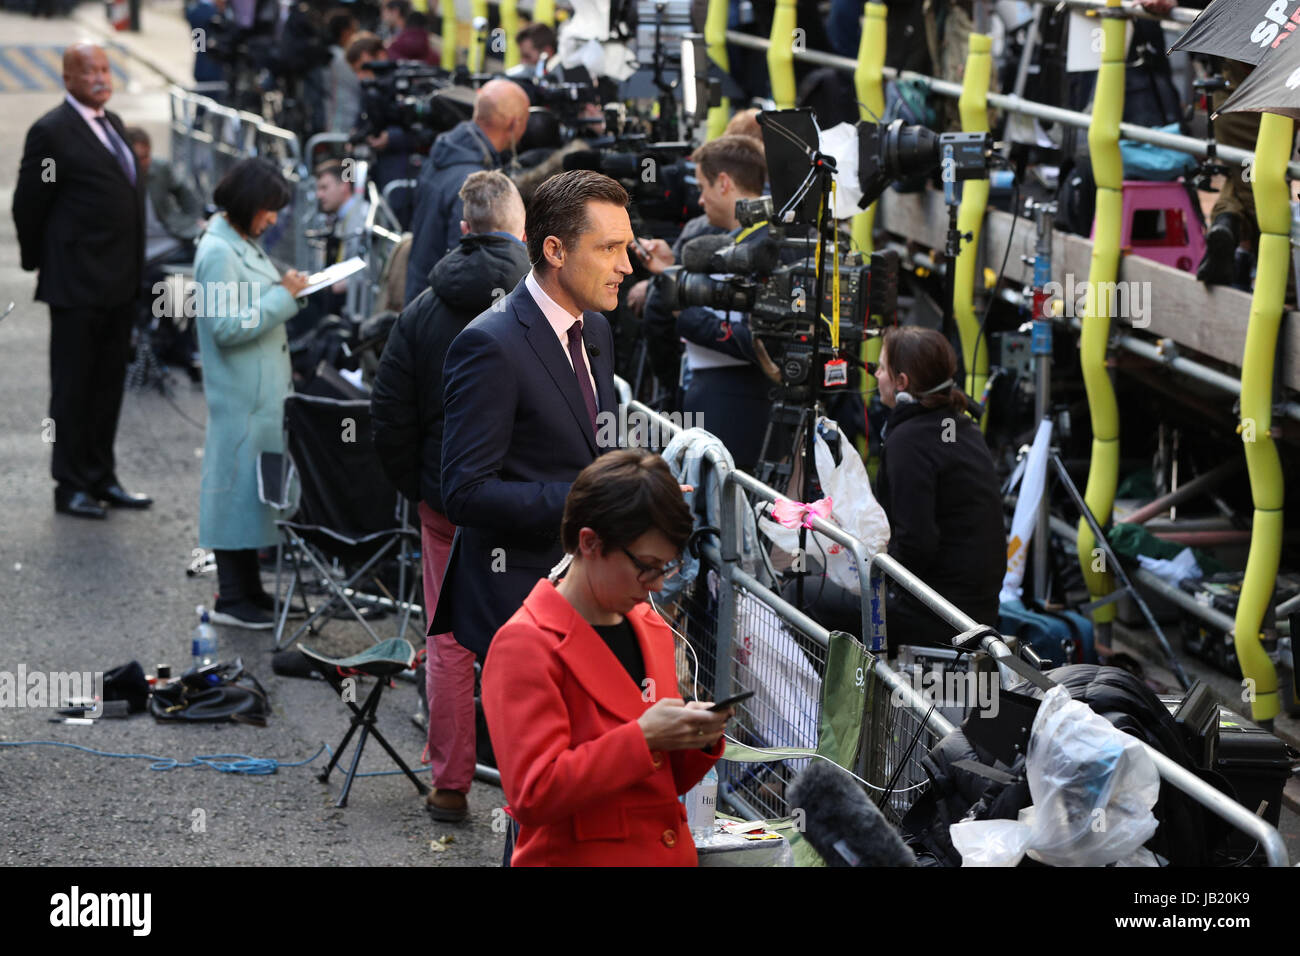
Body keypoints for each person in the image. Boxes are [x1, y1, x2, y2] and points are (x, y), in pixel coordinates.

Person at [429, 170, 631, 819]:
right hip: (518, 600)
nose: (627, 265)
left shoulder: (595, 329)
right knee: (543, 798)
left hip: (582, 593)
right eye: (610, 249)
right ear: (554, 250)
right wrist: (585, 499)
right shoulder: (489, 346)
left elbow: (585, 441)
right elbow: (464, 491)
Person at [482, 449, 733, 867]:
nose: (655, 585)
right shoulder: (525, 644)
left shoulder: (648, 628)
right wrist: (644, 736)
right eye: (647, 567)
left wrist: (697, 737)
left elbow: (658, 783)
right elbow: (533, 795)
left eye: (666, 568)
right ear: (589, 542)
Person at [370, 172, 531, 820]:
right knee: (529, 639)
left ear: (463, 229)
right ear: (521, 230)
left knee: (447, 641)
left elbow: (388, 413)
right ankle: (532, 785)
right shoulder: (540, 302)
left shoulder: (423, 308)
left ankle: (450, 785)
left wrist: (423, 489)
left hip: (447, 504)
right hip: (523, 505)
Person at [12, 42, 151, 520]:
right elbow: (30, 203)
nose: (99, 78)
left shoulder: (112, 124)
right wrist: (41, 261)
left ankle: (100, 476)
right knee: (72, 390)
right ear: (67, 78)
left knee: (108, 386)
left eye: (105, 69)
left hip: (118, 285)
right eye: (88, 71)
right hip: (76, 286)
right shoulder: (51, 133)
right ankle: (69, 484)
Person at [192, 158, 309, 628]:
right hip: (241, 393)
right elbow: (224, 326)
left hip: (256, 392)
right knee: (234, 491)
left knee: (250, 496)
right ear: (247, 205)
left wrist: (286, 292)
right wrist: (283, 296)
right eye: (269, 209)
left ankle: (250, 592)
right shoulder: (219, 250)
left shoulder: (236, 239)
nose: (274, 219)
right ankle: (234, 598)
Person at [638, 135, 777, 471]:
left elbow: (759, 341)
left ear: (725, 183)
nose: (699, 200)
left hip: (737, 404)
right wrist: (674, 272)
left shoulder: (767, 247)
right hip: (717, 394)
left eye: (703, 187)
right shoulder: (739, 240)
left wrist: (682, 312)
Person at [872, 326, 1003, 649]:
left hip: (939, 614)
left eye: (881, 368)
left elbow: (916, 545)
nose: (875, 375)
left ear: (901, 382)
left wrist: (869, 577)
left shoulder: (908, 441)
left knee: (802, 597)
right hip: (979, 609)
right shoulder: (962, 426)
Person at [404, 78, 531, 304]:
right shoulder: (473, 181)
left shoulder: (444, 153)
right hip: (446, 309)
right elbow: (467, 267)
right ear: (514, 124)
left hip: (422, 298)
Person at [324, 8, 360, 133]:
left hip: (339, 120)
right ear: (345, 32)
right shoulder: (340, 58)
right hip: (342, 122)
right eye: (354, 31)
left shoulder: (331, 55)